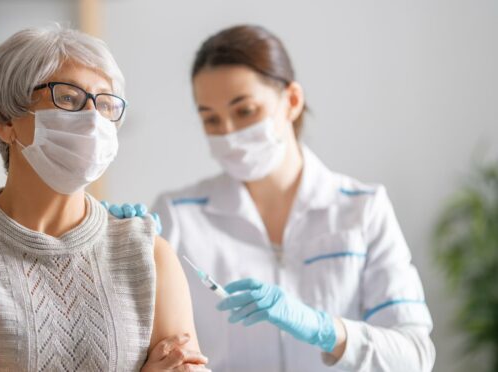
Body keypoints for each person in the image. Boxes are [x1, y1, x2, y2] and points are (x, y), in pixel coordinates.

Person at [0, 26, 209, 372]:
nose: (93, 119)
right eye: (68, 98)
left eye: (106, 103)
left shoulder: (146, 251)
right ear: (4, 121)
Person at [110, 25, 435, 371]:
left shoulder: (363, 210)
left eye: (245, 111)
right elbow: (136, 345)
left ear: (292, 101)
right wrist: (108, 244)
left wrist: (326, 330)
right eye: (211, 120)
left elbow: (415, 356)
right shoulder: (177, 216)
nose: (229, 133)